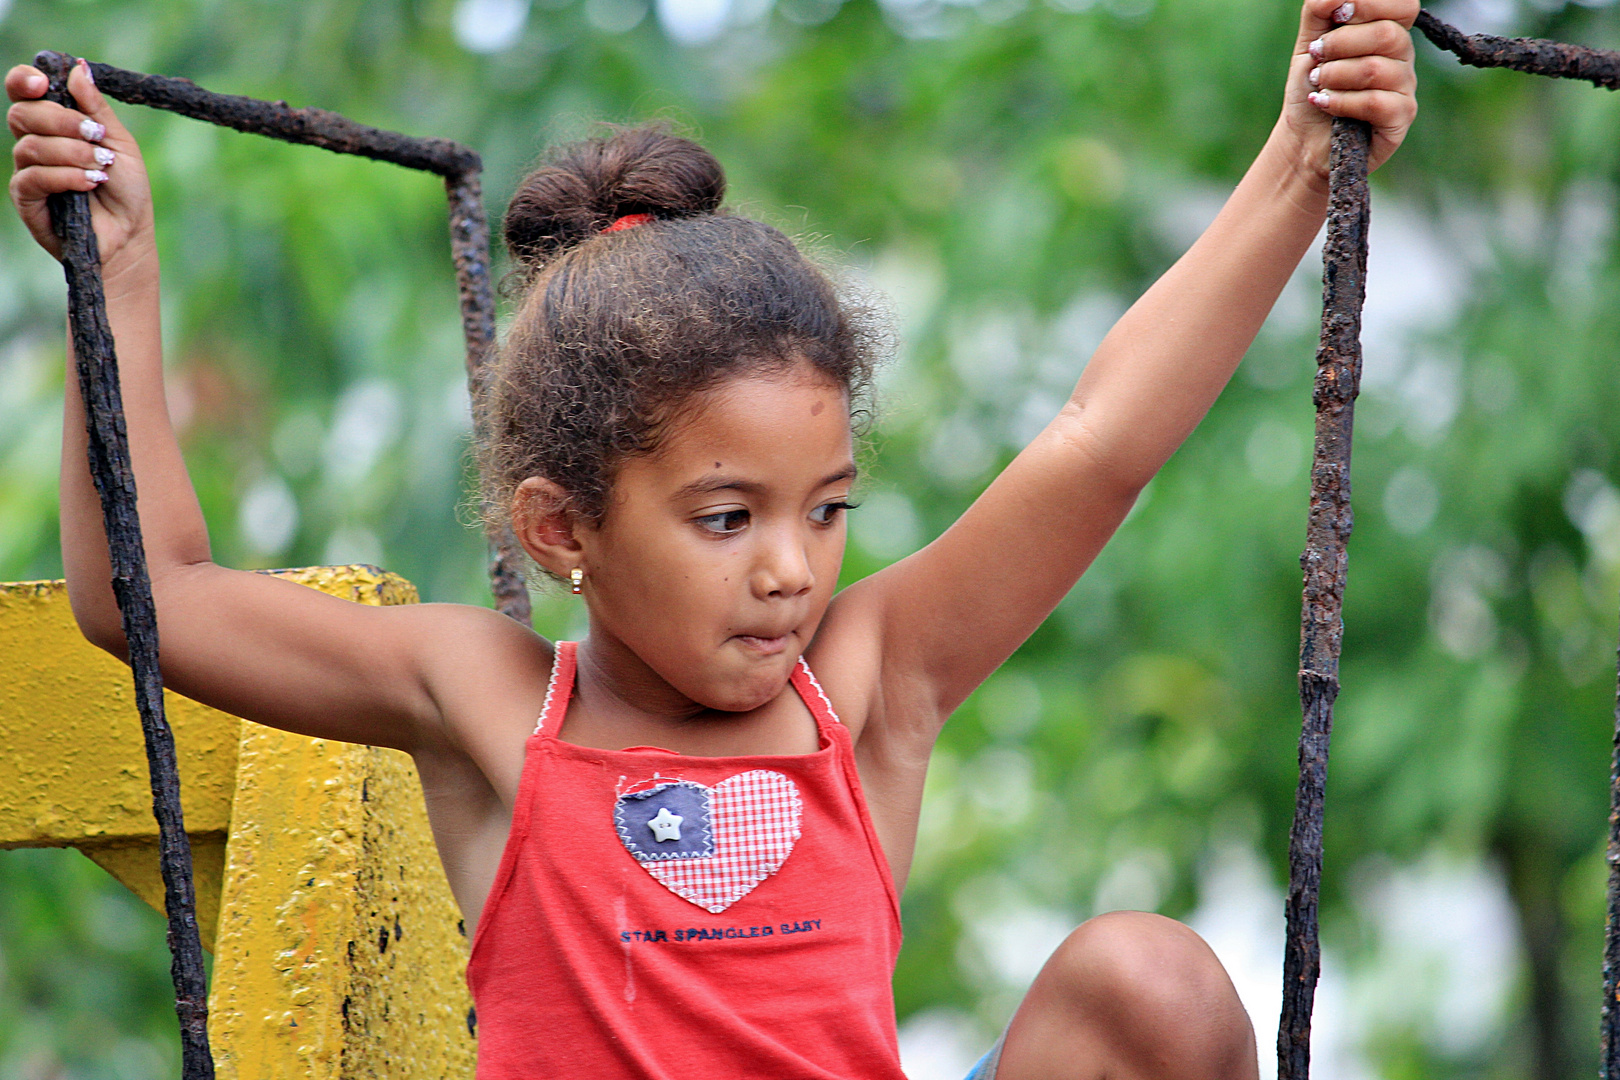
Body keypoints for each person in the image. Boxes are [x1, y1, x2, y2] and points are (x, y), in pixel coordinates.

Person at [7, 2, 1416, 1074]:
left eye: (828, 509)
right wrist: (115, 275)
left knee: (1151, 982)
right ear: (563, 529)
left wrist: (1301, 154)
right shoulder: (492, 704)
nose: (793, 568)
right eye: (726, 518)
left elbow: (1100, 442)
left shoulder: (863, 685)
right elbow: (154, 596)